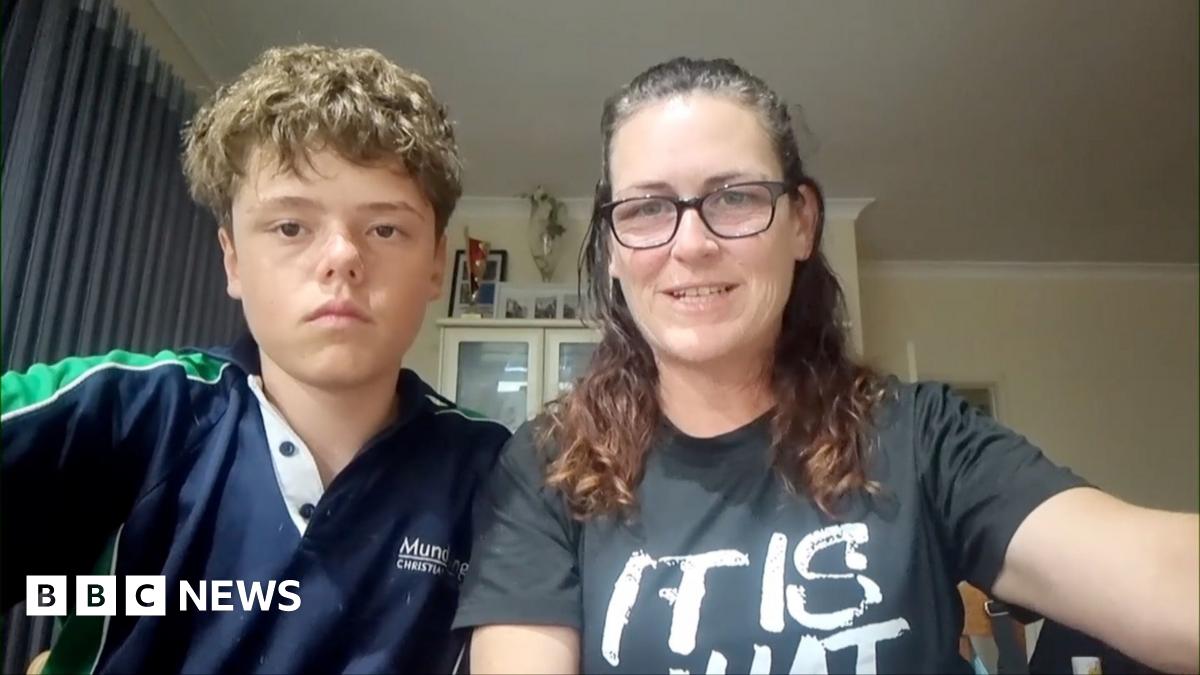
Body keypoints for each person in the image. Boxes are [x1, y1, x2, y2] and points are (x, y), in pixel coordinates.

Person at [452, 57, 1199, 674]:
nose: (691, 243)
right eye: (648, 208)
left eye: (735, 197)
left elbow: (1162, 580)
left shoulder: (921, 437)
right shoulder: (549, 468)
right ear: (614, 248)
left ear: (802, 222)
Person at [1, 45, 509, 673]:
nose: (341, 258)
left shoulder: (499, 475)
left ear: (436, 262)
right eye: (291, 227)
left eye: (385, 229)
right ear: (233, 259)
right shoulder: (131, 414)